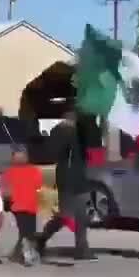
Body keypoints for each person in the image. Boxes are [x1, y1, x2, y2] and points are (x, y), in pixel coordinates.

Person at [36, 109, 94, 260]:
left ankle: (82, 249)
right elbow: (51, 152)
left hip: (80, 177)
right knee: (65, 216)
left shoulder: (79, 133)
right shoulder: (60, 132)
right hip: (67, 178)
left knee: (81, 215)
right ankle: (41, 239)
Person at [1, 146, 42, 266]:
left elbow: (5, 192)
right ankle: (27, 256)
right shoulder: (34, 170)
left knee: (25, 232)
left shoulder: (8, 172)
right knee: (28, 233)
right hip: (30, 206)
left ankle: (16, 255)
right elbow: (38, 187)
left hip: (17, 207)